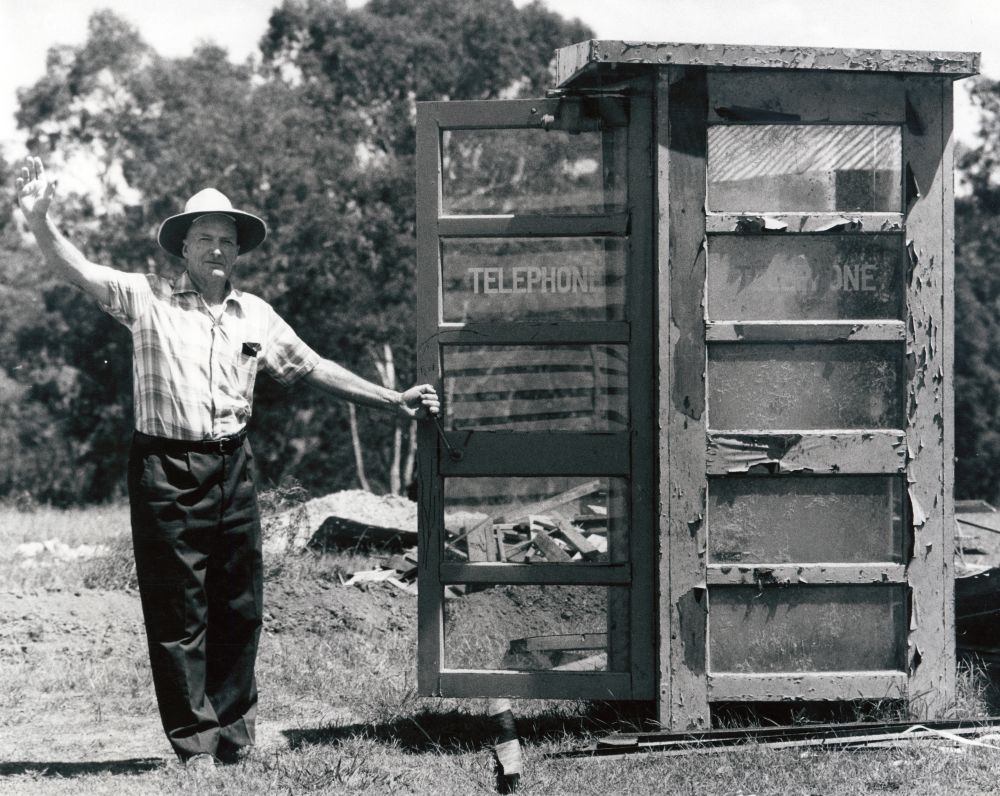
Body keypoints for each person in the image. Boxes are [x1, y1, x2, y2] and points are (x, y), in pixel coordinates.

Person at [14, 156, 439, 769]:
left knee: (240, 605)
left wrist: (391, 399)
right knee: (178, 608)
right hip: (164, 468)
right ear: (182, 246)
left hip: (233, 465)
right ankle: (194, 746)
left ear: (237, 252)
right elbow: (77, 270)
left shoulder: (255, 314)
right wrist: (40, 219)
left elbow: (313, 366)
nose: (216, 249)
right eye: (204, 238)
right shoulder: (147, 297)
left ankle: (236, 739)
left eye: (226, 241)